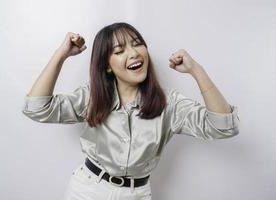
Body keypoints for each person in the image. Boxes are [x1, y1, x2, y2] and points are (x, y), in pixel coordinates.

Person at [22, 22, 240, 200]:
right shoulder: (92, 97)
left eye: (137, 44)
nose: (134, 53)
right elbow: (38, 108)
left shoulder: (169, 104)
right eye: (119, 51)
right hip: (86, 191)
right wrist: (61, 55)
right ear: (107, 65)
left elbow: (223, 127)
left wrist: (196, 70)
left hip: (136, 194)